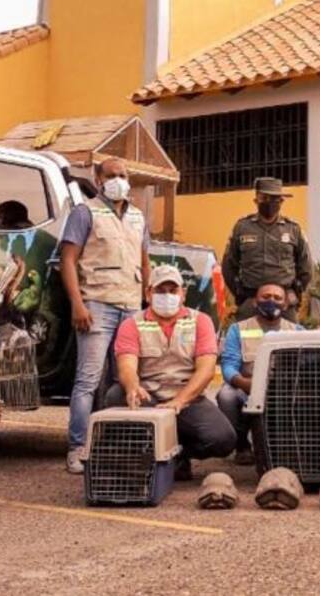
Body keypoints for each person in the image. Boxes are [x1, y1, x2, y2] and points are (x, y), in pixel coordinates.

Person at [59, 157, 151, 474]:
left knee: (124, 379)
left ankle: (114, 445)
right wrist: (77, 304)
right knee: (88, 380)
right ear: (98, 180)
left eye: (123, 175)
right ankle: (78, 448)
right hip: (97, 305)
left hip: (131, 306)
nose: (119, 180)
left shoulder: (137, 216)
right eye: (112, 175)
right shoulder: (85, 212)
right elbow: (68, 260)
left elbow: (144, 259)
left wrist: (147, 300)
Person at [108, 264, 235, 479]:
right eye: (160, 290)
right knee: (115, 396)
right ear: (148, 293)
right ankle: (147, 458)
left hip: (188, 399)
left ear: (183, 294)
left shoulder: (200, 321)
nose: (167, 296)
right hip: (148, 397)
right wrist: (132, 387)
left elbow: (205, 371)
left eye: (172, 290)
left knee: (223, 439)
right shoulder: (132, 324)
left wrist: (179, 401)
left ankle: (179, 454)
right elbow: (126, 365)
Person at [216, 280, 300, 465]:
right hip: (247, 387)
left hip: (284, 390)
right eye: (266, 296)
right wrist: (241, 382)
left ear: (285, 304)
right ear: (255, 302)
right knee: (226, 395)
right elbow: (228, 365)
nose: (272, 301)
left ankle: (286, 446)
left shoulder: (296, 331)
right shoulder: (238, 329)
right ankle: (241, 445)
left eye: (277, 298)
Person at [222, 177, 312, 322]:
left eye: (274, 199)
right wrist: (240, 295)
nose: (269, 202)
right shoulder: (242, 228)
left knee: (287, 336)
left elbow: (306, 267)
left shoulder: (293, 229)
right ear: (256, 199)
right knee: (248, 335)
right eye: (264, 198)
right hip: (251, 300)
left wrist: (294, 294)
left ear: (281, 201)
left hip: (284, 303)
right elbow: (228, 266)